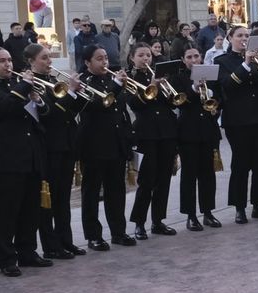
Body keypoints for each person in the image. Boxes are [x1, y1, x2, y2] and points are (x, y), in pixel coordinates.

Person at [0, 46, 54, 277]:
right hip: (4, 157)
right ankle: (5, 257)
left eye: (9, 60)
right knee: (6, 210)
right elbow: (1, 108)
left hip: (30, 153)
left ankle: (27, 251)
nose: (8, 65)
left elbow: (44, 115)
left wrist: (38, 101)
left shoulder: (18, 84)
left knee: (30, 208)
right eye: (2, 61)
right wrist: (24, 87)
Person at [21, 44, 84, 259]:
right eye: (44, 58)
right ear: (31, 61)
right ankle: (51, 245)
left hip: (66, 143)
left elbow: (70, 111)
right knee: (48, 198)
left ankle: (66, 240)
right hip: (48, 146)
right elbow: (52, 114)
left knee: (63, 197)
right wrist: (71, 92)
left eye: (49, 57)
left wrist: (78, 95)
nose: (49, 62)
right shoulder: (33, 85)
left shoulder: (53, 80)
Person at [76, 47, 137, 248]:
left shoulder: (111, 80)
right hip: (94, 144)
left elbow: (121, 110)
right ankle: (93, 235)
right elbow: (97, 104)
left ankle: (118, 232)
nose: (105, 63)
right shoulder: (84, 82)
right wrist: (117, 85)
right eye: (99, 59)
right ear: (87, 63)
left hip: (116, 142)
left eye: (106, 58)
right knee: (91, 192)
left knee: (116, 190)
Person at [215, 26, 258, 223]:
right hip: (238, 120)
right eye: (240, 35)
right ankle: (239, 207)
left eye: (247, 36)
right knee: (241, 164)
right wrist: (246, 63)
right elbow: (227, 85)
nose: (244, 38)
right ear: (230, 38)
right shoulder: (222, 61)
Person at [124, 45, 179, 239]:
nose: (145, 58)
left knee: (163, 180)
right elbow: (134, 104)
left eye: (148, 55)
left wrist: (165, 87)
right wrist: (153, 86)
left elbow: (172, 103)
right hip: (146, 133)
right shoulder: (129, 78)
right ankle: (139, 223)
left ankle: (158, 221)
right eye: (140, 55)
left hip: (166, 131)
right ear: (132, 58)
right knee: (146, 180)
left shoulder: (160, 75)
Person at [176, 47, 222, 231]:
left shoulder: (210, 75)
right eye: (189, 57)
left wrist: (215, 104)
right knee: (189, 175)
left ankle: (208, 212)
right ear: (183, 59)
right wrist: (195, 87)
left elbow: (220, 98)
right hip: (188, 132)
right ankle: (191, 215)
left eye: (196, 56)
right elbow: (180, 102)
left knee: (208, 174)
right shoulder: (179, 78)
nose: (193, 60)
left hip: (209, 130)